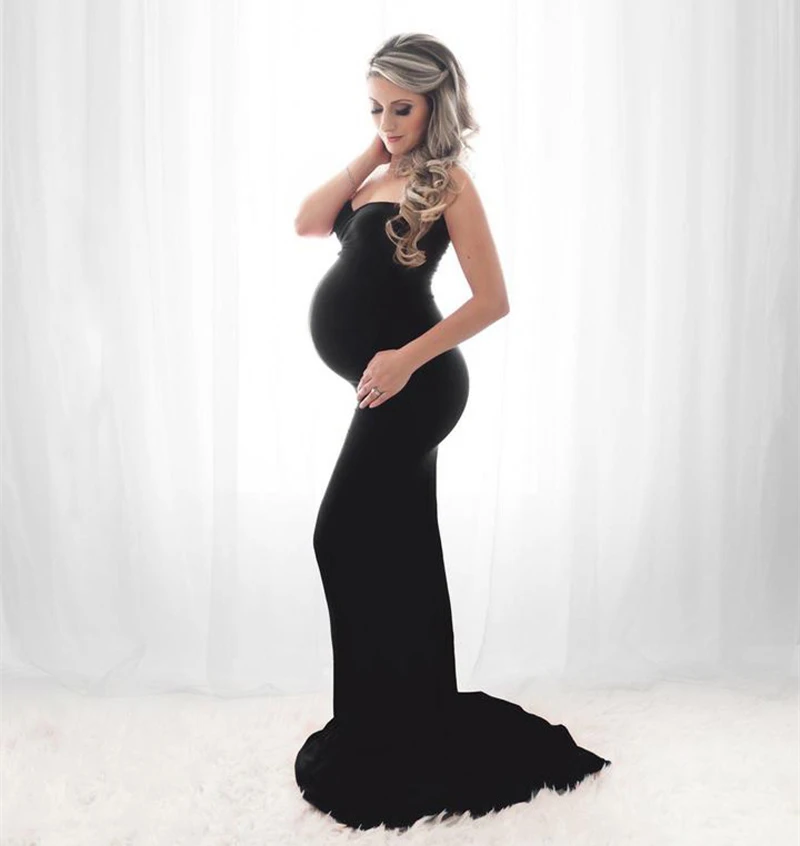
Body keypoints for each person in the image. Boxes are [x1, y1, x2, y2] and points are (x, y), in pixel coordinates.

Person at [293, 32, 611, 832]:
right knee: (396, 544)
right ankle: (392, 718)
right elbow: (306, 222)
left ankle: (380, 726)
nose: (388, 122)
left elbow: (492, 299)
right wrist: (373, 149)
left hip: (421, 385)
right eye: (375, 108)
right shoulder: (378, 172)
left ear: (436, 103)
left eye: (401, 109)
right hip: (388, 388)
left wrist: (405, 358)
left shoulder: (450, 184)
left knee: (339, 535)